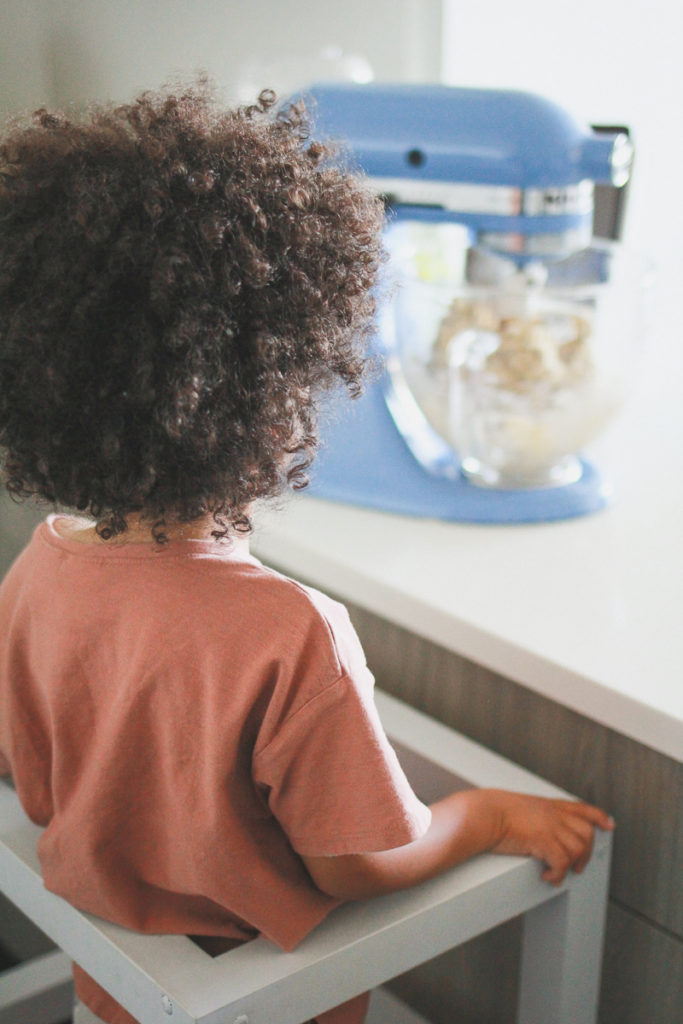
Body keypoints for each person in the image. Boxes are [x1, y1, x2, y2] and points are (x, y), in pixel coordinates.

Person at [0, 82, 614, 1024]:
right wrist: (483, 816)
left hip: (112, 988)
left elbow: (36, 783)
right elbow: (359, 864)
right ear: (286, 380)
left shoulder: (37, 567)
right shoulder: (289, 634)